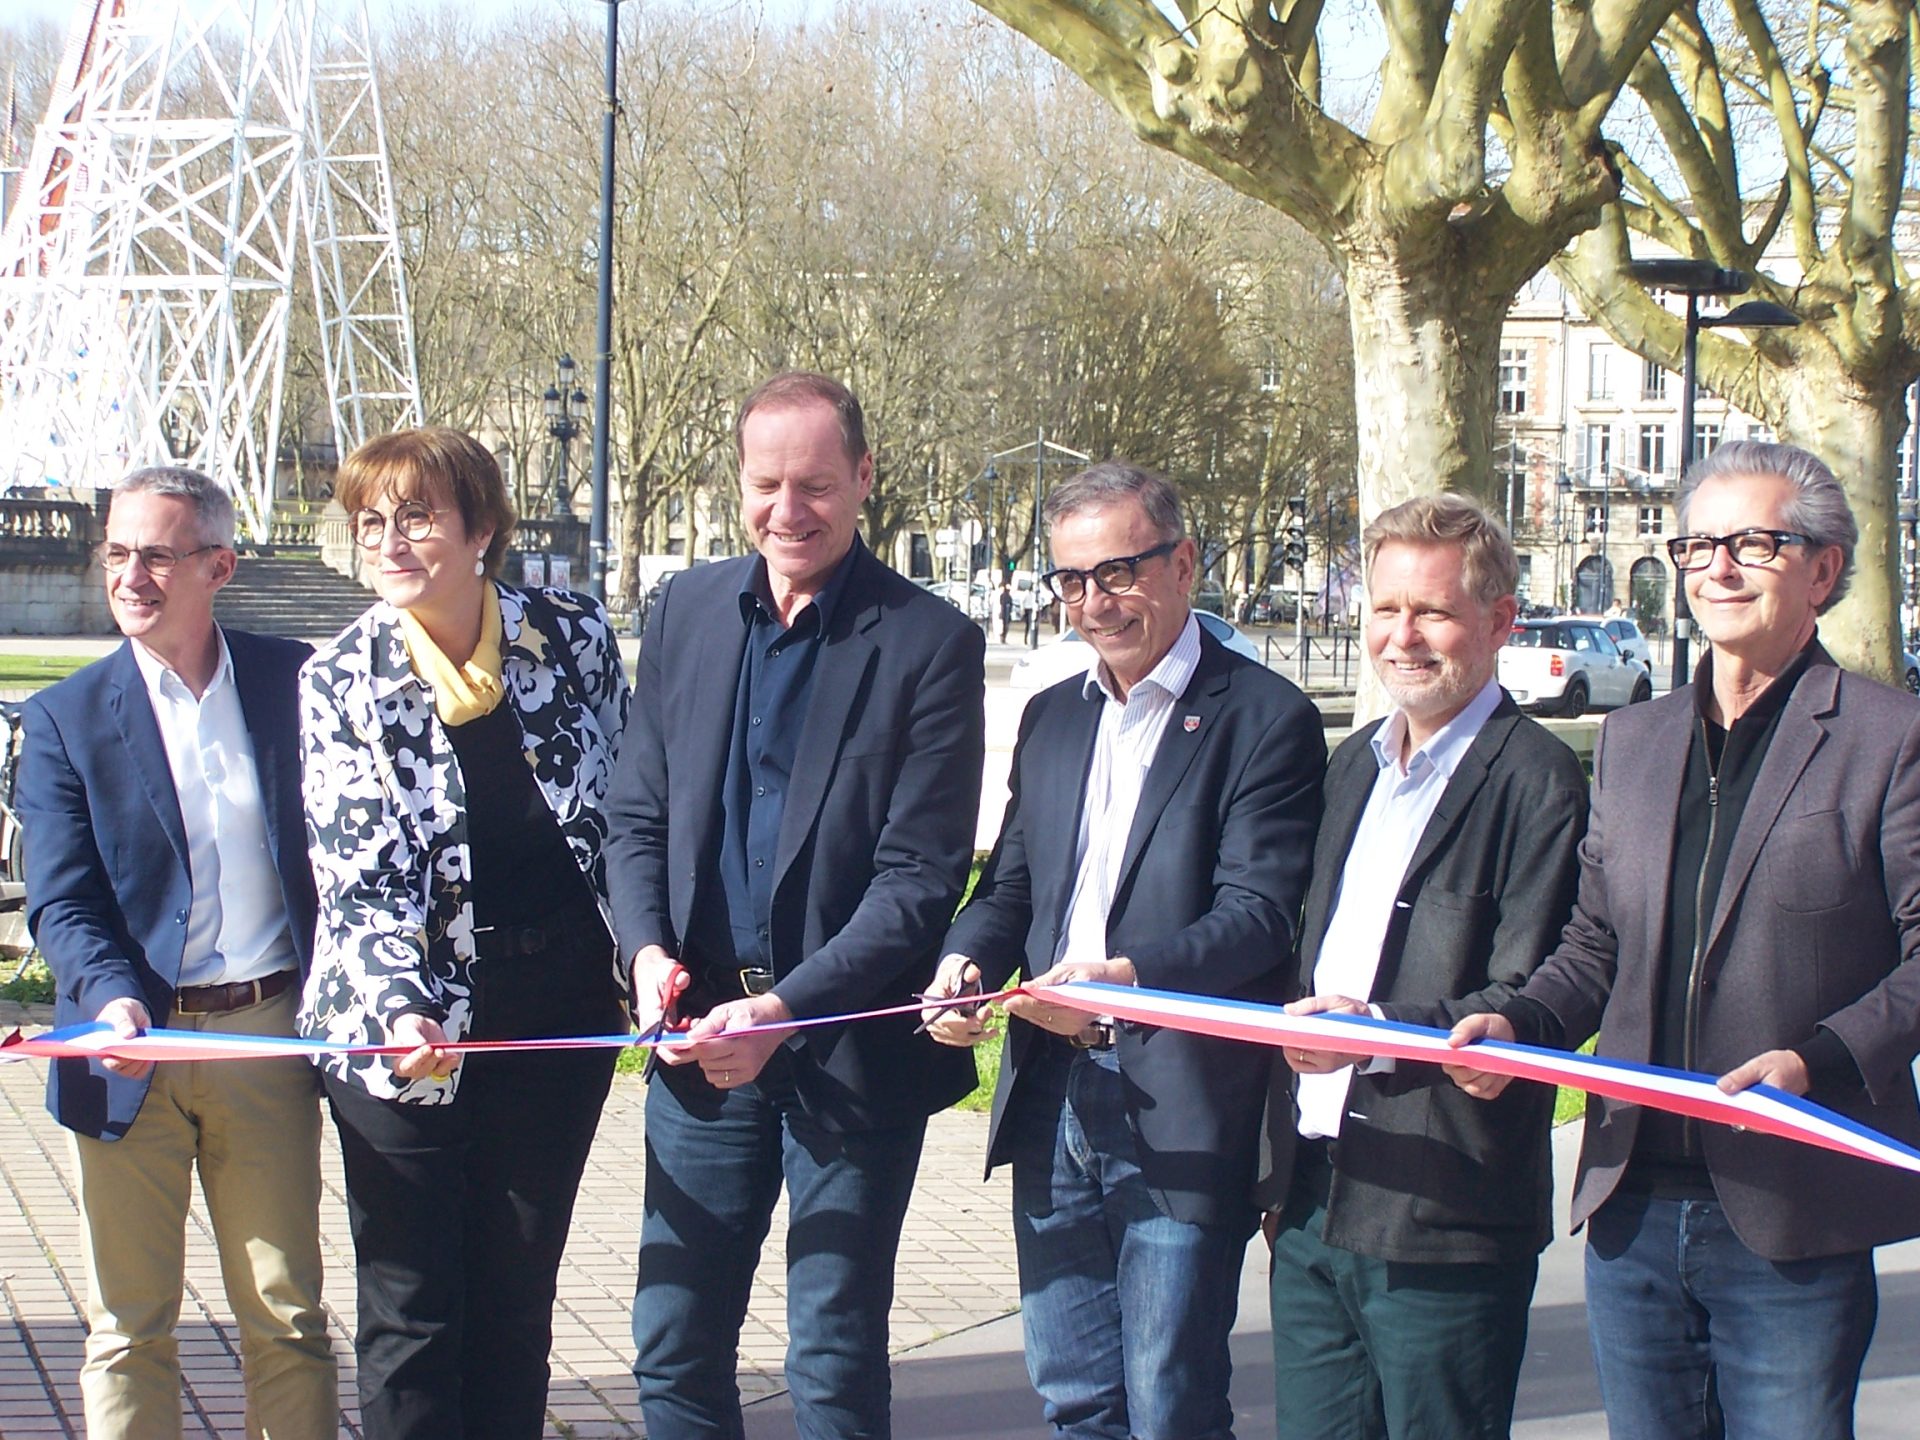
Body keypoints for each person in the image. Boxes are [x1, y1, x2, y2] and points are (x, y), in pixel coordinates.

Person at [1448, 440, 1920, 1440]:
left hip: (1792, 1209)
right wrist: (1518, 1022)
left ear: (1825, 570)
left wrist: (1821, 1059)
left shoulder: (1890, 738)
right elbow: (1594, 946)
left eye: (1755, 542)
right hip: (1633, 1209)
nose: (1719, 566)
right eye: (1701, 542)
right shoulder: (1635, 739)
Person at [603, 371, 986, 1439]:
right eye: (767, 484)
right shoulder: (683, 611)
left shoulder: (929, 642)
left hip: (843, 1048)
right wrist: (643, 953)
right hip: (701, 1044)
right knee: (672, 1346)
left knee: (831, 1355)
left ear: (863, 479)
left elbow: (918, 881)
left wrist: (787, 1015)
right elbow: (635, 816)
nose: (789, 510)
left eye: (816, 484)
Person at [925, 460, 1325, 1440]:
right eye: (1070, 580)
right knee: (1073, 1395)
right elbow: (1011, 885)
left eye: (1118, 572)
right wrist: (964, 962)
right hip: (1048, 1094)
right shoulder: (1053, 718)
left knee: (1169, 1400)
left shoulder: (1265, 720)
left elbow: (1260, 915)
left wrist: (1125, 985)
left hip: (1177, 1101)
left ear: (1183, 563)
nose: (1094, 604)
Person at [298, 427, 631, 1438]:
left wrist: (648, 956)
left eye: (417, 517)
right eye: (370, 522)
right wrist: (403, 1009)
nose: (390, 541)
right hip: (402, 1026)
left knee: (515, 1297)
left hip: (553, 1015)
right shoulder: (338, 679)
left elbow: (626, 814)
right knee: (412, 1307)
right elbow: (360, 878)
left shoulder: (573, 634)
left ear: (481, 528)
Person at [19, 465, 336, 1438]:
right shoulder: (65, 718)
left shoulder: (297, 684)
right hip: (130, 1046)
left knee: (287, 1320)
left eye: (157, 554)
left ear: (220, 565)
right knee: (129, 1324)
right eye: (117, 553)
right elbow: (65, 903)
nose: (130, 576)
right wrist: (112, 1001)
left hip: (266, 1040)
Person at [1261, 495, 1587, 1440]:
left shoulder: (1538, 781)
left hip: (1443, 1212)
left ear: (1499, 621)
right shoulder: (1355, 762)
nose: (1403, 636)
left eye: (1433, 612)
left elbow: (1532, 987)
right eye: (1385, 609)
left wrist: (1371, 1032)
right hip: (1315, 1196)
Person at [997, 578, 1015, 643]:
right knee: (1005, 626)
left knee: (1005, 625)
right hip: (1005, 612)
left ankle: (1003, 636)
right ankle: (1003, 636)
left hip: (1005, 612)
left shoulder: (1004, 596)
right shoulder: (1006, 596)